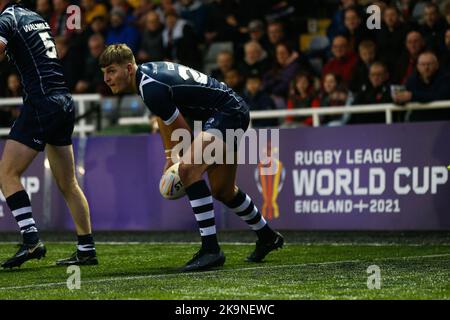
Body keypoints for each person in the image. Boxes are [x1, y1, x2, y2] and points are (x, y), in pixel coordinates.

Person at [100, 44, 284, 272]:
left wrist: (181, 164)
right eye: (104, 73)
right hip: (226, 112)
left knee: (188, 170)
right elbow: (164, 117)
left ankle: (211, 250)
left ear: (128, 68)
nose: (106, 78)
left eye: (111, 71)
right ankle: (267, 236)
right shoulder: (146, 77)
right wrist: (170, 155)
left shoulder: (149, 86)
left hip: (226, 114)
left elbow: (183, 133)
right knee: (222, 190)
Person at [0, 0, 97, 268]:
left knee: (6, 173)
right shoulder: (37, 17)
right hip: (63, 101)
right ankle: (86, 248)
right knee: (68, 183)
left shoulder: (7, 18)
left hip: (41, 103)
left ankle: (31, 240)